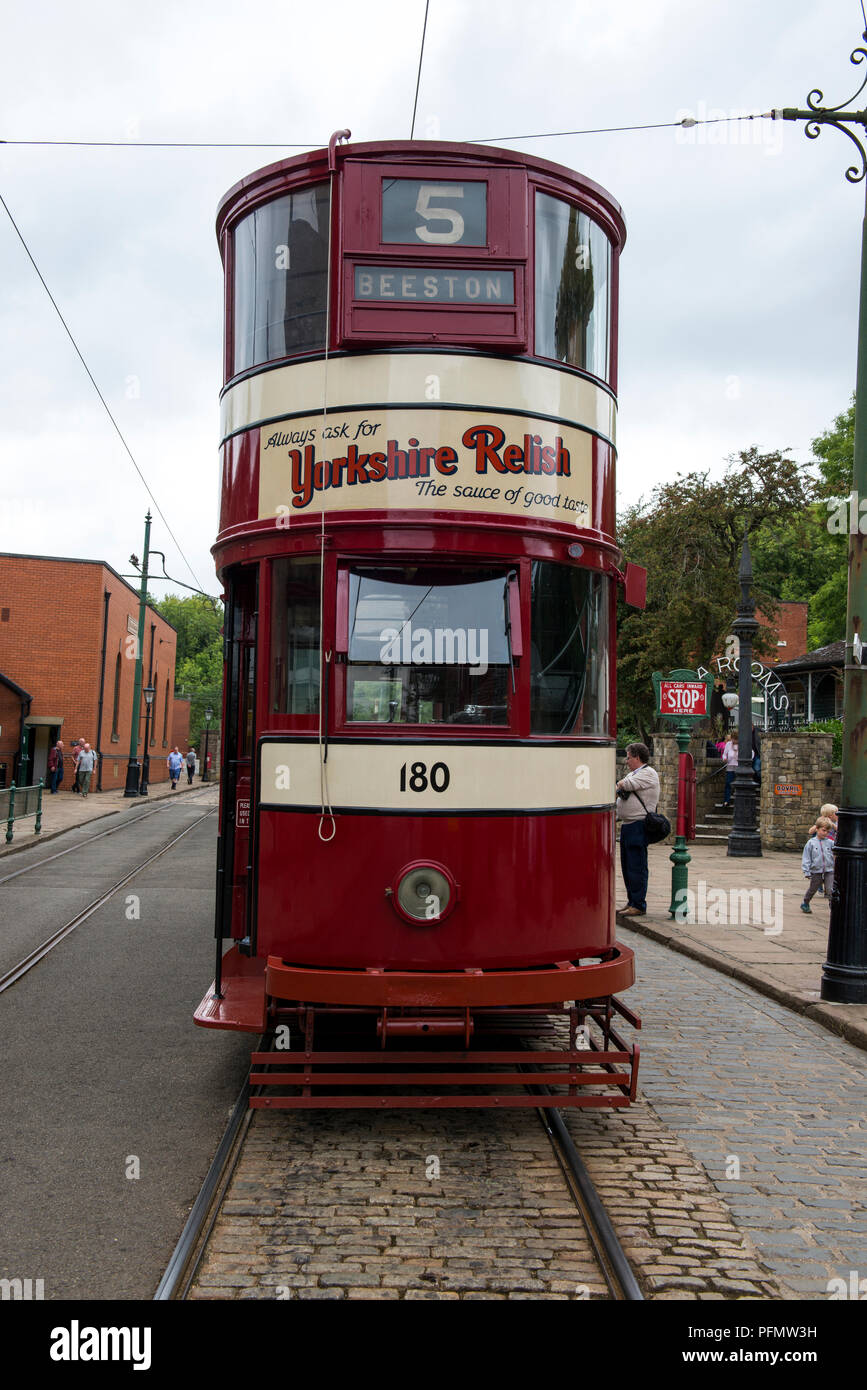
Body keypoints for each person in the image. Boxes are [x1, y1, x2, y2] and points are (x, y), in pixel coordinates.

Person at [615, 742, 660, 917]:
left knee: (636, 865)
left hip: (638, 825)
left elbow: (624, 785)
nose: (626, 760)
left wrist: (621, 784)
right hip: (628, 825)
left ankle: (639, 904)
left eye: (629, 757)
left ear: (637, 757)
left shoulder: (648, 773)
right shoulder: (637, 773)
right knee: (627, 866)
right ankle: (632, 901)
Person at [801, 817, 834, 913]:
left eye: (828, 831)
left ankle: (833, 907)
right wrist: (806, 870)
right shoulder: (811, 843)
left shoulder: (830, 843)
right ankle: (805, 902)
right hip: (816, 871)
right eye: (823, 830)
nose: (825, 833)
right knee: (813, 889)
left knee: (830, 890)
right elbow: (806, 857)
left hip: (829, 870)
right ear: (817, 829)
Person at [721, 734, 739, 807]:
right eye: (733, 739)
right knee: (728, 783)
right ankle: (726, 801)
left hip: (739, 767)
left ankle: (738, 801)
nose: (734, 741)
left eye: (735, 739)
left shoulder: (742, 744)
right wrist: (724, 758)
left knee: (738, 785)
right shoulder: (728, 744)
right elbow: (724, 754)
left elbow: (751, 753)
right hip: (730, 766)